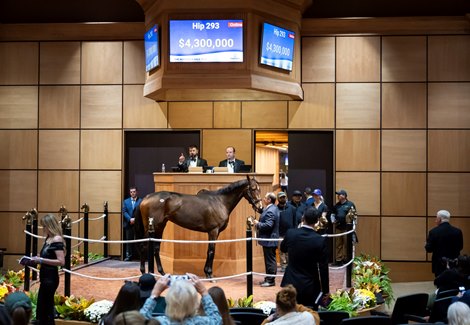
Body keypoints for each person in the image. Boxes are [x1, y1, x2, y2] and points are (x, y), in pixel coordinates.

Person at [280, 207, 330, 309]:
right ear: (317, 221)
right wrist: (325, 291)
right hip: (310, 286)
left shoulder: (290, 233)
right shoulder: (320, 240)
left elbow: (283, 248)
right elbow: (323, 268)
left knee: (289, 314)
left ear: (303, 218)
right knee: (310, 315)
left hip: (290, 284)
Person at [140, 273, 222, 324]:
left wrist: (155, 293)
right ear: (194, 303)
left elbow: (139, 321)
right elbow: (217, 320)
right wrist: (204, 292)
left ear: (169, 301)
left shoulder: (159, 322)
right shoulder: (201, 322)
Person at [28, 214, 65, 325]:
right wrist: (35, 259)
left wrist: (41, 260)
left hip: (51, 278)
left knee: (47, 308)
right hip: (45, 277)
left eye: (45, 226)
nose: (43, 229)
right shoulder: (48, 239)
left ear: (50, 226)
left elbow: (61, 261)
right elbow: (46, 256)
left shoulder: (56, 239)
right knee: (42, 308)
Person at [425, 210, 464, 277]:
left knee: (440, 283)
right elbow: (460, 247)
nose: (435, 220)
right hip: (454, 264)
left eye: (436, 218)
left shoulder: (433, 232)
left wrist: (426, 245)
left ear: (440, 219)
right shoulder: (458, 231)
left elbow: (429, 249)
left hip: (439, 265)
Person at [253, 192, 280, 287]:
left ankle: (270, 280)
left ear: (269, 200)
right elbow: (265, 212)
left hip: (269, 240)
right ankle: (268, 278)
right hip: (268, 240)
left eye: (265, 198)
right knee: (269, 260)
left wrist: (257, 224)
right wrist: (259, 209)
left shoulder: (271, 210)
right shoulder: (271, 208)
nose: (263, 199)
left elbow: (268, 225)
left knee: (270, 261)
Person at [331, 189, 356, 266]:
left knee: (346, 244)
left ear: (344, 196)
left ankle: (346, 260)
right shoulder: (336, 205)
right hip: (338, 227)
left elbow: (354, 215)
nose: (338, 196)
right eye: (337, 195)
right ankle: (339, 260)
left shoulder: (350, 204)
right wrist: (333, 219)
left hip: (347, 229)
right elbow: (333, 214)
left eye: (340, 194)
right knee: (338, 244)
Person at [277, 192, 296, 272]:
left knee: (289, 250)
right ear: (278, 199)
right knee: (281, 250)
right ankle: (283, 265)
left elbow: (295, 221)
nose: (283, 198)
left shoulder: (292, 208)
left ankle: (290, 264)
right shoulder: (275, 209)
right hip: (279, 234)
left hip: (290, 233)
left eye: (284, 197)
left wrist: (294, 232)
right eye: (281, 197)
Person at [122, 186, 142, 261]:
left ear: (137, 192)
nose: (132, 193)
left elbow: (142, 212)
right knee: (129, 240)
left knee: (139, 240)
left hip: (138, 224)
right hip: (128, 224)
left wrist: (135, 219)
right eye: (131, 192)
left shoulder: (141, 201)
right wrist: (130, 219)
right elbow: (124, 211)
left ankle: (140, 256)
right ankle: (129, 256)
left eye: (134, 191)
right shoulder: (125, 201)